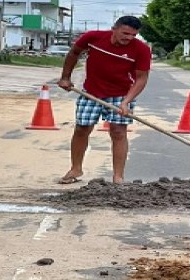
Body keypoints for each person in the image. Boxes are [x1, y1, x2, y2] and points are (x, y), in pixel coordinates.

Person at [57, 16, 151, 184]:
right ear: (114, 28)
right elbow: (74, 53)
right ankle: (75, 169)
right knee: (82, 128)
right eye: (125, 33)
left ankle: (118, 177)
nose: (128, 38)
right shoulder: (93, 38)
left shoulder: (141, 49)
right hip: (91, 92)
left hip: (121, 93)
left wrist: (126, 102)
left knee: (118, 132)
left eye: (133, 35)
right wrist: (65, 77)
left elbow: (141, 78)